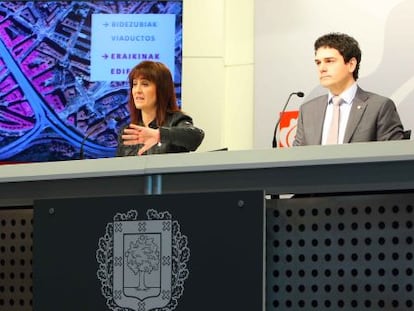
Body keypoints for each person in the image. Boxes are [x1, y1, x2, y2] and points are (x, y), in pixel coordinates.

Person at [293, 32, 405, 146]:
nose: (321, 68)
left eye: (329, 61)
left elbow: (392, 157)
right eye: (318, 62)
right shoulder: (307, 111)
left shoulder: (379, 107)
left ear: (351, 64)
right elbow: (296, 159)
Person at [116, 61, 204, 156]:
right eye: (134, 84)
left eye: (145, 84)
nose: (137, 90)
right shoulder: (127, 131)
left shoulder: (176, 121)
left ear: (162, 89)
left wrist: (160, 135)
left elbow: (196, 136)